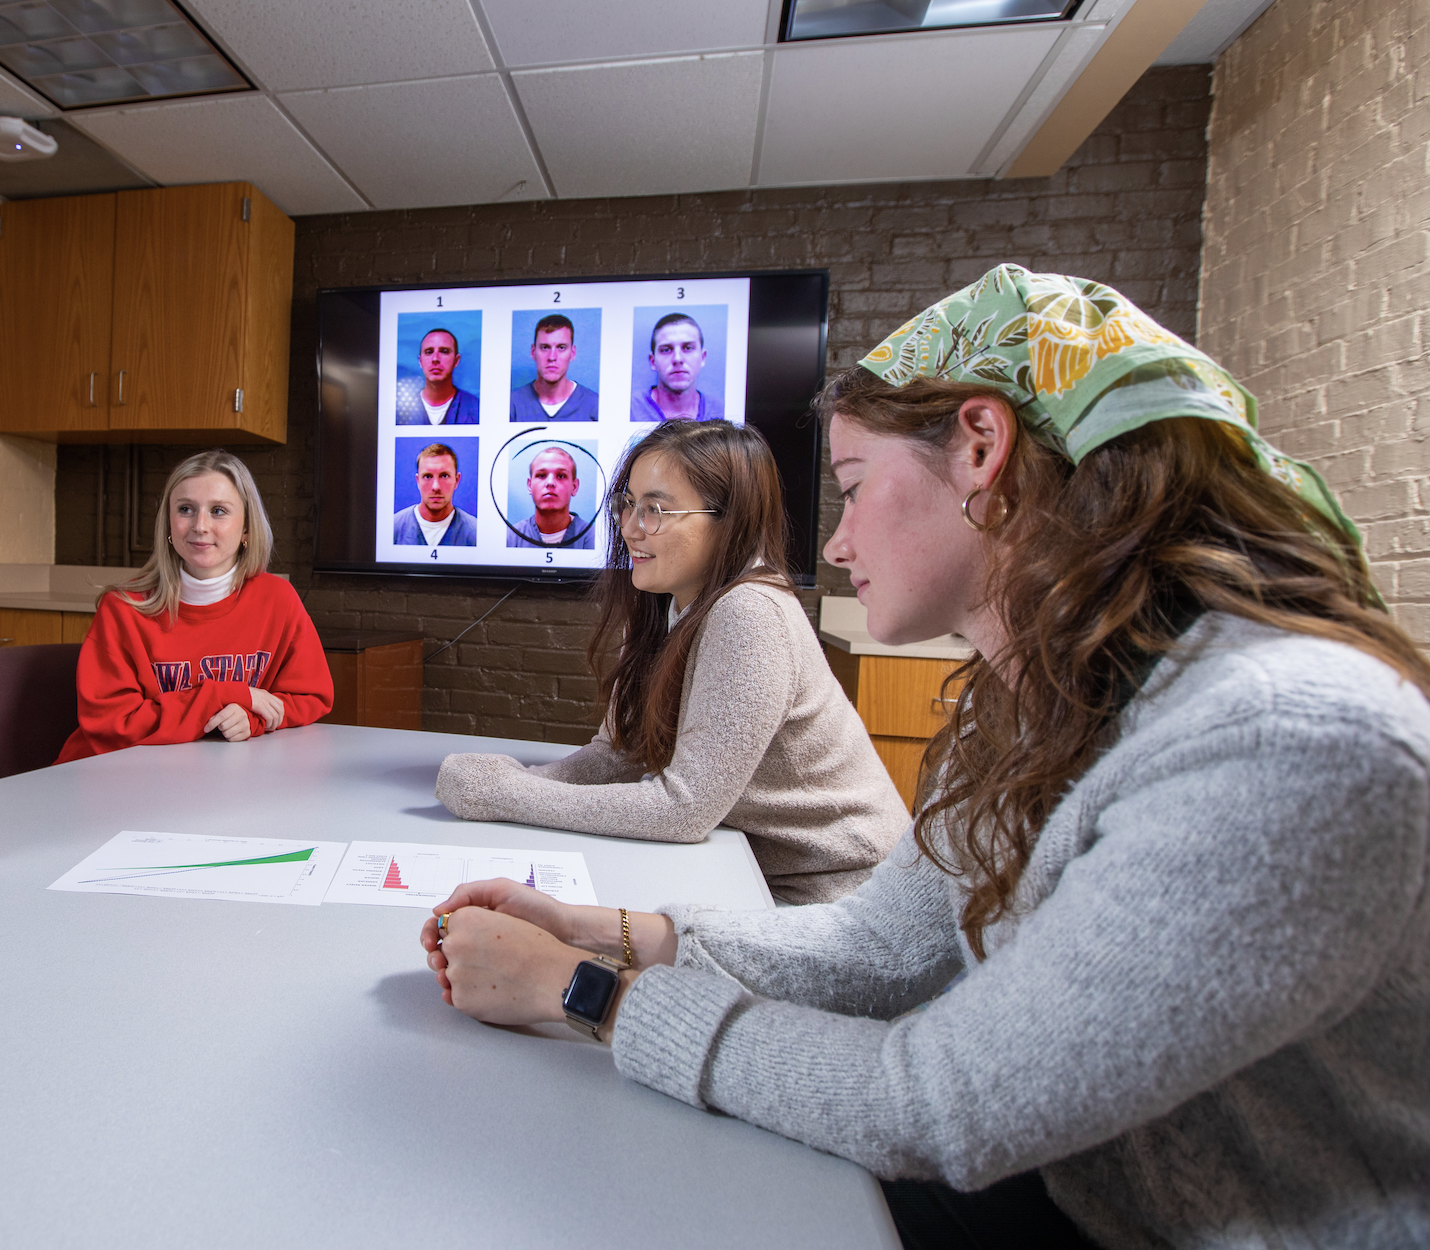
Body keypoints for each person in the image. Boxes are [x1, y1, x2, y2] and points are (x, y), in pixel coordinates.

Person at [423, 265, 1430, 1250]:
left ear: (983, 447)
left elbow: (943, 1099)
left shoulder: (1282, 738)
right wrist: (601, 930)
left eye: (855, 488)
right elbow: (881, 947)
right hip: (1077, 1184)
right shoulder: (1026, 701)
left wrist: (585, 990)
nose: (843, 541)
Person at [439, 419, 906, 903]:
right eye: (628, 504)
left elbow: (683, 809)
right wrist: (516, 780)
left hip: (838, 895)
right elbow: (615, 755)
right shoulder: (670, 601)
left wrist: (502, 795)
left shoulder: (750, 612)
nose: (630, 528)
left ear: (730, 518)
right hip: (745, 867)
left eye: (655, 509)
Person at [56, 450, 332, 757]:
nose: (200, 526)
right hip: (114, 779)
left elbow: (309, 696)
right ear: (168, 525)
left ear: (246, 529)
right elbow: (114, 725)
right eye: (186, 509)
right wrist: (226, 695)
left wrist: (252, 718)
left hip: (214, 777)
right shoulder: (122, 608)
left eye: (218, 511)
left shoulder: (278, 600)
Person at [509, 314, 598, 422]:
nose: (552, 357)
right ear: (533, 352)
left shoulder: (595, 406)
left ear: (572, 353)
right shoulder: (512, 405)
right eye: (545, 347)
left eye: (561, 348)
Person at [504, 445, 596, 550]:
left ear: (574, 487)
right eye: (541, 475)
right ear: (530, 485)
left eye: (561, 476)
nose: (550, 483)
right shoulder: (510, 538)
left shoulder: (593, 538)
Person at [630, 313, 716, 422]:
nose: (677, 359)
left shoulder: (722, 411)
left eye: (688, 348)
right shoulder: (629, 409)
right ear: (652, 361)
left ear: (703, 358)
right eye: (666, 350)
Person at [392, 443, 477, 547]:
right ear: (418, 481)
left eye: (444, 476)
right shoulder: (392, 529)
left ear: (457, 480)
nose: (436, 487)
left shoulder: (476, 533)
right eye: (427, 476)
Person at [395, 328, 479, 425]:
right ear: (420, 361)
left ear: (456, 360)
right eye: (429, 352)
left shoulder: (476, 410)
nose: (435, 359)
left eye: (444, 351)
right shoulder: (401, 412)